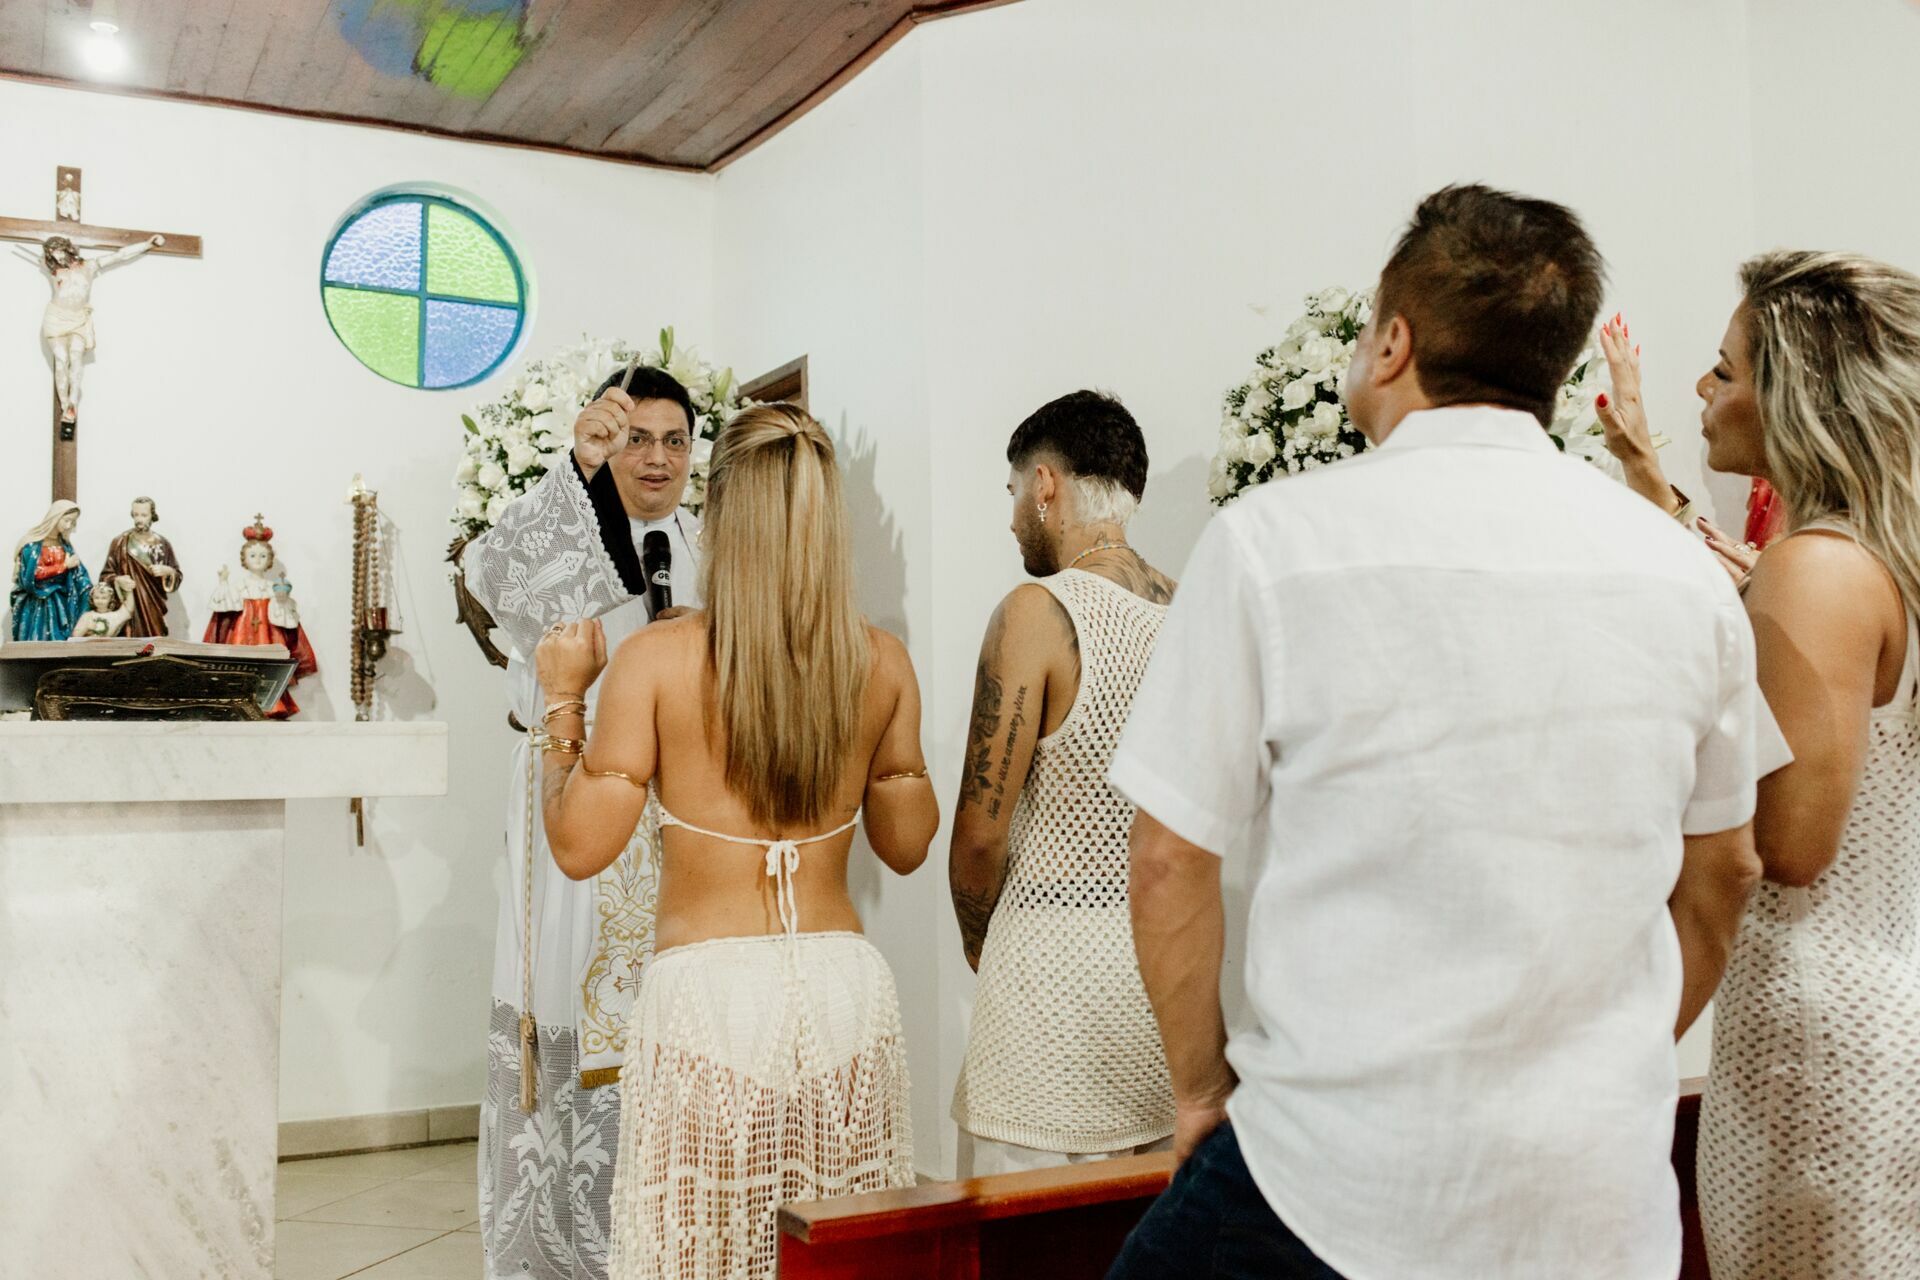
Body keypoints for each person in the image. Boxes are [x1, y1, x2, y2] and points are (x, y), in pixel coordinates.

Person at [1106, 184, 1770, 1280]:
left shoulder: (1272, 541)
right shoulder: (1683, 574)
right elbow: (1727, 867)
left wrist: (1198, 1091)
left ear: (1393, 342)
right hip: (1595, 1193)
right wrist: (1605, 1067)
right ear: (1552, 371)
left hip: (1336, 1174)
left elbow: (1171, 851)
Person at [533, 403, 937, 1280]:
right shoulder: (881, 660)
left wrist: (564, 698)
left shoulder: (658, 659)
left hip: (709, 996)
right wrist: (884, 756)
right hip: (842, 988)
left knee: (704, 1252)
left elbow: (577, 845)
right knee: (839, 1253)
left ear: (718, 517)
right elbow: (907, 847)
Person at [1596, 252, 1920, 1278]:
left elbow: (1786, 843)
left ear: (1798, 393)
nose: (1704, 389)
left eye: (1725, 369)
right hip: (1859, 995)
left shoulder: (1818, 565)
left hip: (1813, 1026)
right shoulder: (1865, 553)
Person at [463, 364, 706, 1280]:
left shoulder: (706, 544)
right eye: (633, 437)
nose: (655, 458)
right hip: (573, 800)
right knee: (568, 992)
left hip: (678, 818)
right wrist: (577, 467)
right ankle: (558, 1245)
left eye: (673, 439)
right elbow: (489, 575)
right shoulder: (559, 532)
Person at [948, 390, 1176, 1176]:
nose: (1014, 517)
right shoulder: (1191, 611)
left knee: (1023, 1246)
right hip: (1160, 981)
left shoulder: (1036, 612)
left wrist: (984, 940)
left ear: (1045, 485)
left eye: (1014, 493)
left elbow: (980, 832)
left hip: (1045, 992)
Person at [10, 500, 92, 642]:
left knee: (59, 637)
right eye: (66, 520)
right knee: (36, 638)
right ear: (55, 517)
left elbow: (77, 573)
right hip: (37, 601)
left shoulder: (65, 545)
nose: (69, 525)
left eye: (72, 522)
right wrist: (63, 566)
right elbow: (32, 574)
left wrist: (87, 587)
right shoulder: (32, 545)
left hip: (60, 600)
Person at [102, 496, 183, 638]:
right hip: (129, 605)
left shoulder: (162, 543)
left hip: (153, 605)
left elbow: (177, 574)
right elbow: (105, 576)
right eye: (136, 514)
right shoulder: (120, 542)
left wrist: (168, 571)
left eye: (144, 515)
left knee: (155, 638)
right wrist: (118, 580)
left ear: (152, 516)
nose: (139, 519)